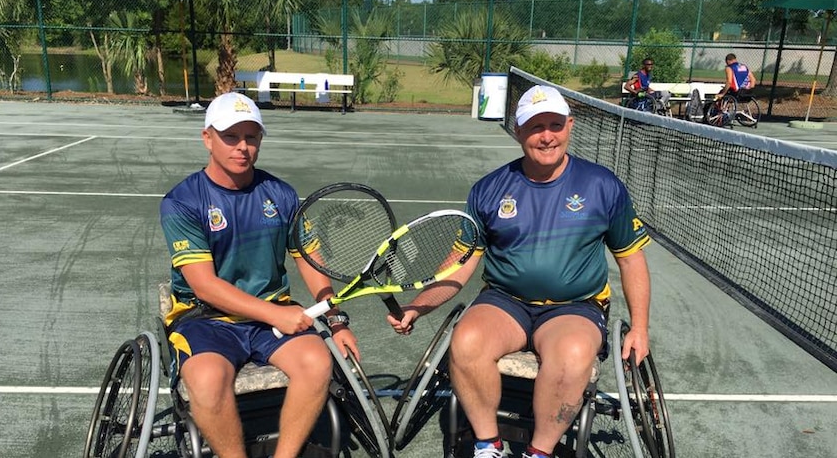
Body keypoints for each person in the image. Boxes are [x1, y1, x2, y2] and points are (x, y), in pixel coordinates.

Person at [388, 85, 653, 458]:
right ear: (518, 130)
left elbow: (630, 259)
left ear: (570, 126)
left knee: (573, 355)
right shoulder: (489, 189)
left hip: (574, 306)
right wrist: (418, 306)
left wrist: (640, 328)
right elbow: (459, 266)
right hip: (505, 302)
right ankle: (487, 445)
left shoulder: (602, 186)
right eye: (535, 127)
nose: (547, 136)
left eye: (555, 125)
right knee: (466, 342)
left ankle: (538, 452)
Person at [159, 91, 358, 458]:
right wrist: (275, 314)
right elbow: (204, 285)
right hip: (207, 320)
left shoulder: (281, 195)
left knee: (316, 363)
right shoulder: (182, 201)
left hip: (271, 317)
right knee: (206, 381)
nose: (242, 147)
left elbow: (310, 261)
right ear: (208, 138)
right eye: (230, 137)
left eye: (251, 137)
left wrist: (337, 319)